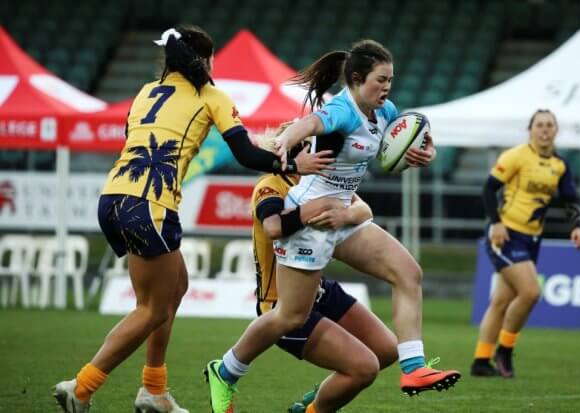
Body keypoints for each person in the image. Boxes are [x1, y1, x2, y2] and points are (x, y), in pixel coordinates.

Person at [52, 26, 332, 413]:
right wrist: (290, 163)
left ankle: (154, 389)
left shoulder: (145, 94)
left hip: (114, 198)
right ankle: (82, 388)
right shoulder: (211, 95)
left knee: (175, 286)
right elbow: (248, 156)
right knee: (151, 308)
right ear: (207, 60)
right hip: (150, 207)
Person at [206, 39, 460, 413]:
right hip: (309, 218)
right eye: (381, 79)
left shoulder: (385, 111)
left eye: (391, 79)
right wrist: (286, 142)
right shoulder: (342, 108)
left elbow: (402, 143)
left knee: (409, 273)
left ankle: (413, 368)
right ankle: (225, 371)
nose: (387, 87)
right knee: (290, 315)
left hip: (341, 216)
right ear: (357, 79)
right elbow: (310, 123)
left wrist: (424, 152)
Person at [248, 136, 399, 412]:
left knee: (387, 350)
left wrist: (344, 215)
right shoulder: (270, 185)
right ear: (299, 153)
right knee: (364, 368)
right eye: (316, 149)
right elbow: (273, 227)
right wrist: (315, 209)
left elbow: (364, 210)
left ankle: (317, 399)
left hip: (320, 290)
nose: (327, 155)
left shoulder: (319, 183)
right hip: (282, 303)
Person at [470, 109, 580, 378]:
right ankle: (505, 351)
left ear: (556, 130)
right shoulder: (516, 156)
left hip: (533, 239)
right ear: (530, 129)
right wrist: (496, 222)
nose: (544, 129)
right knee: (531, 292)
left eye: (549, 125)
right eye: (539, 125)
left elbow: (570, 200)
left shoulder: (560, 165)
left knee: (501, 301)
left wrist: (577, 226)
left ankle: (480, 360)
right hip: (506, 234)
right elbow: (488, 189)